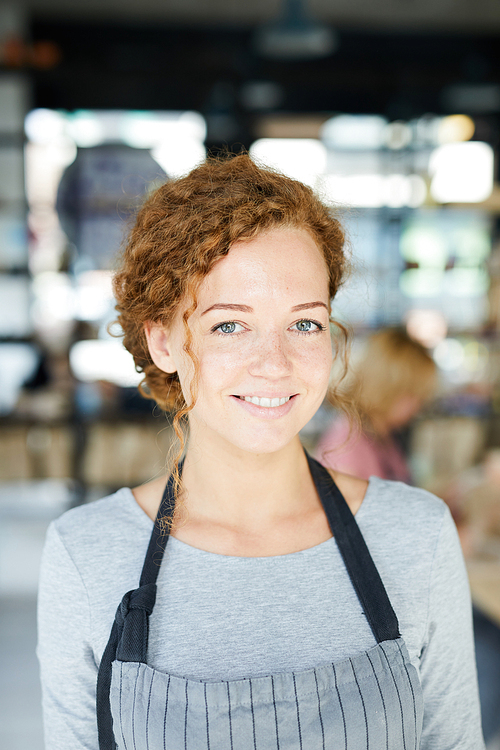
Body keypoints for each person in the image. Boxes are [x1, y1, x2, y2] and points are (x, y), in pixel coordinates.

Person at [37, 155, 484, 750]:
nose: (275, 364)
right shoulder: (86, 555)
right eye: (229, 325)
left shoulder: (416, 538)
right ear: (164, 340)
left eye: (304, 324)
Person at [315, 328, 437, 483]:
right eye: (413, 394)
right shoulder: (346, 444)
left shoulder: (380, 434)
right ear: (387, 388)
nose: (418, 405)